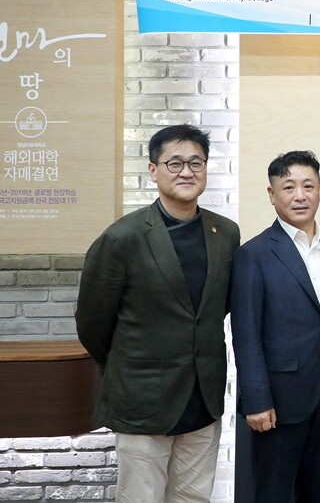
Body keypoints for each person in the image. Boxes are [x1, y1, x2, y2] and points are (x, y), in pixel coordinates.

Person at [76, 124, 241, 502]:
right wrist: (131, 366)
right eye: (175, 163)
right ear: (153, 170)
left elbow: (217, 309)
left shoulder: (226, 233)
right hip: (143, 399)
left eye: (196, 163)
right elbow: (92, 323)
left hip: (203, 398)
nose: (187, 172)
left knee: (194, 497)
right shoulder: (123, 238)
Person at [230, 150, 320, 502]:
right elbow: (246, 335)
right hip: (278, 400)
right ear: (272, 194)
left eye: (308, 186)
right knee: (272, 492)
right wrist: (256, 400)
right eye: (289, 187)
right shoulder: (253, 254)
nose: (300, 196)